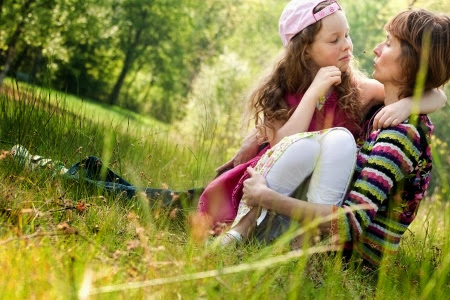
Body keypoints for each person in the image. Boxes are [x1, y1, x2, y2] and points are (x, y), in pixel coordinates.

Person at [197, 0, 446, 237]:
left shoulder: (355, 91)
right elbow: (286, 146)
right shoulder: (279, 93)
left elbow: (436, 93)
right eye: (334, 40)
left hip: (313, 205)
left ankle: (291, 239)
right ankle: (239, 229)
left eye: (347, 35)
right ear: (305, 51)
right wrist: (313, 92)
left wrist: (407, 106)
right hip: (272, 185)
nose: (347, 45)